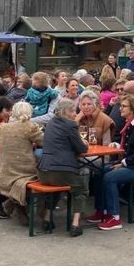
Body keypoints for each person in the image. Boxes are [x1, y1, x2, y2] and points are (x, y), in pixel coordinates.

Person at [87, 94, 134, 231]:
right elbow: (130, 148)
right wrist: (118, 148)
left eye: (124, 106)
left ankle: (115, 217)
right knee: (100, 171)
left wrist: (123, 163)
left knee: (110, 177)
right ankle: (102, 210)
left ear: (133, 108)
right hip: (132, 162)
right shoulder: (129, 124)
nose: (120, 109)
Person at [37, 98, 89, 236]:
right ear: (65, 112)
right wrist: (84, 143)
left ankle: (47, 219)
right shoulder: (70, 125)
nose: (74, 114)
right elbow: (81, 148)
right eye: (72, 111)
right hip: (61, 170)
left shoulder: (50, 123)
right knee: (80, 190)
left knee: (56, 189)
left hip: (44, 170)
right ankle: (75, 224)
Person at [0, 101, 44, 221]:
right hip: (24, 172)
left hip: (3, 172)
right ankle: (40, 213)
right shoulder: (30, 127)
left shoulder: (2, 127)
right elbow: (45, 142)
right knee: (45, 177)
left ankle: (15, 205)